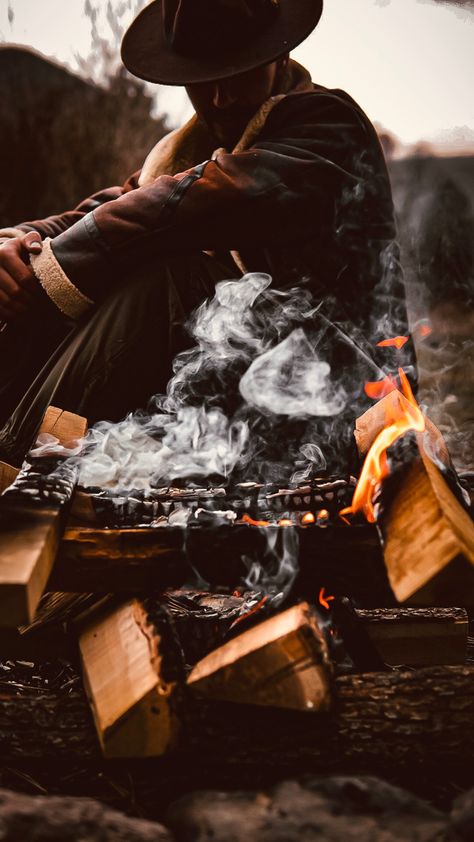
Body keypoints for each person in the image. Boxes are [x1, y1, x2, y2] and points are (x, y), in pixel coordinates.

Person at [0, 0, 414, 466]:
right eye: (203, 81)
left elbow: (197, 203)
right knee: (36, 287)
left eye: (238, 75)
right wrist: (20, 244)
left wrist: (51, 268)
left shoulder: (329, 127)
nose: (219, 99)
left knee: (170, 281)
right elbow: (115, 206)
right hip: (240, 398)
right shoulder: (187, 151)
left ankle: (14, 466)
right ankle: (13, 442)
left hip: (346, 397)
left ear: (277, 59)